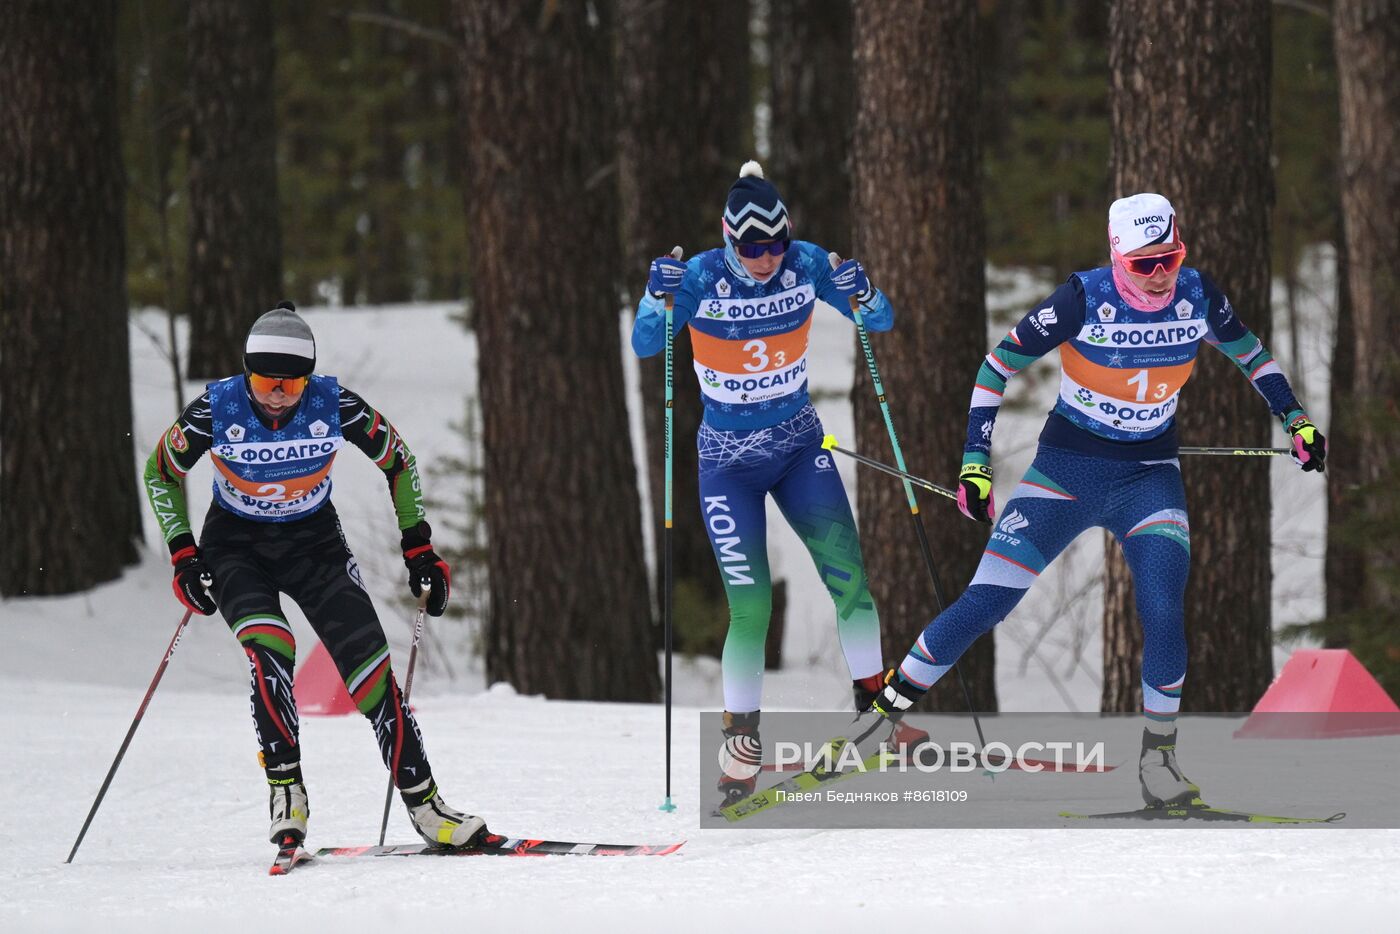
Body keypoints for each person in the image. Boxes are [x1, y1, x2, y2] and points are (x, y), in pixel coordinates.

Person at [866, 193, 1327, 807]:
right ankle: (880, 717)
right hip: (1065, 472)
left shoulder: (1197, 294)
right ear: (1116, 258)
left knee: (1164, 611)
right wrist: (975, 461)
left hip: (1149, 476)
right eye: (1143, 264)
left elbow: (1250, 352)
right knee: (987, 601)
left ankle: (1158, 762)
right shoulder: (1082, 299)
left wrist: (1295, 419)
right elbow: (994, 366)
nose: (1160, 273)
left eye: (1169, 257)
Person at [143, 301, 486, 850]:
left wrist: (418, 547)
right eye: (264, 378)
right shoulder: (217, 408)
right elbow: (159, 471)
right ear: (245, 371)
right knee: (270, 645)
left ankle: (427, 807)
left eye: (291, 381)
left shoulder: (334, 403)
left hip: (314, 543)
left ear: (308, 377)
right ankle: (286, 791)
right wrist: (184, 554)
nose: (277, 393)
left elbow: (398, 460)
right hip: (236, 545)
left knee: (370, 668)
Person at [632, 161, 923, 806]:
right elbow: (646, 345)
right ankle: (741, 747)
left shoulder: (806, 264)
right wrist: (656, 297)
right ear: (728, 240)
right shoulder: (703, 276)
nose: (765, 259)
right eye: (751, 247)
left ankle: (877, 713)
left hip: (797, 451)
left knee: (851, 583)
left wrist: (863, 289)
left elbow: (882, 323)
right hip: (727, 465)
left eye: (775, 245)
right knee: (752, 608)